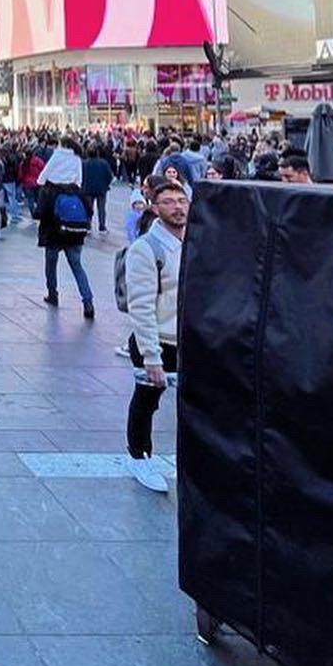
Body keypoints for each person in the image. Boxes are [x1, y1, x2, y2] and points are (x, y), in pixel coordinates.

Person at [124, 180, 188, 494]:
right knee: (147, 400)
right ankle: (139, 456)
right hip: (158, 340)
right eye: (169, 202)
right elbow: (141, 305)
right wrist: (151, 355)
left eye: (181, 200)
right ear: (155, 207)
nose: (177, 207)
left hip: (190, 339)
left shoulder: (196, 242)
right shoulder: (146, 249)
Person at [37, 142, 95, 318]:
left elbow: (40, 209)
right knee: (77, 265)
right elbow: (89, 210)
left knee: (51, 262)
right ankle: (88, 302)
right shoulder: (77, 189)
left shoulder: (51, 189)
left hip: (54, 231)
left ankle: (53, 293)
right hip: (74, 232)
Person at [82, 145, 115, 232]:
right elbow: (110, 176)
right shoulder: (104, 163)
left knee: (88, 208)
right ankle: (102, 226)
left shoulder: (84, 163)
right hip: (101, 189)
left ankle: (88, 225)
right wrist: (106, 185)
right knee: (101, 209)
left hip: (87, 189)